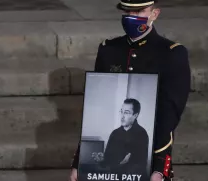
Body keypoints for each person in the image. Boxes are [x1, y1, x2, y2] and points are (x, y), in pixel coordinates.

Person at [69, 0, 191, 180]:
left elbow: (169, 116)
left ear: (154, 14)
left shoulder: (171, 54)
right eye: (127, 12)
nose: (131, 17)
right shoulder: (108, 50)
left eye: (139, 11)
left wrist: (159, 167)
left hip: (147, 165)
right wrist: (79, 163)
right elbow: (90, 115)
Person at [95, 98, 149, 179]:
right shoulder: (115, 133)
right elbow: (108, 161)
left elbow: (140, 167)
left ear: (135, 115)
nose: (122, 116)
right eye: (122, 112)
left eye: (126, 113)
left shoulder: (142, 134)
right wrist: (102, 160)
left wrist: (122, 164)